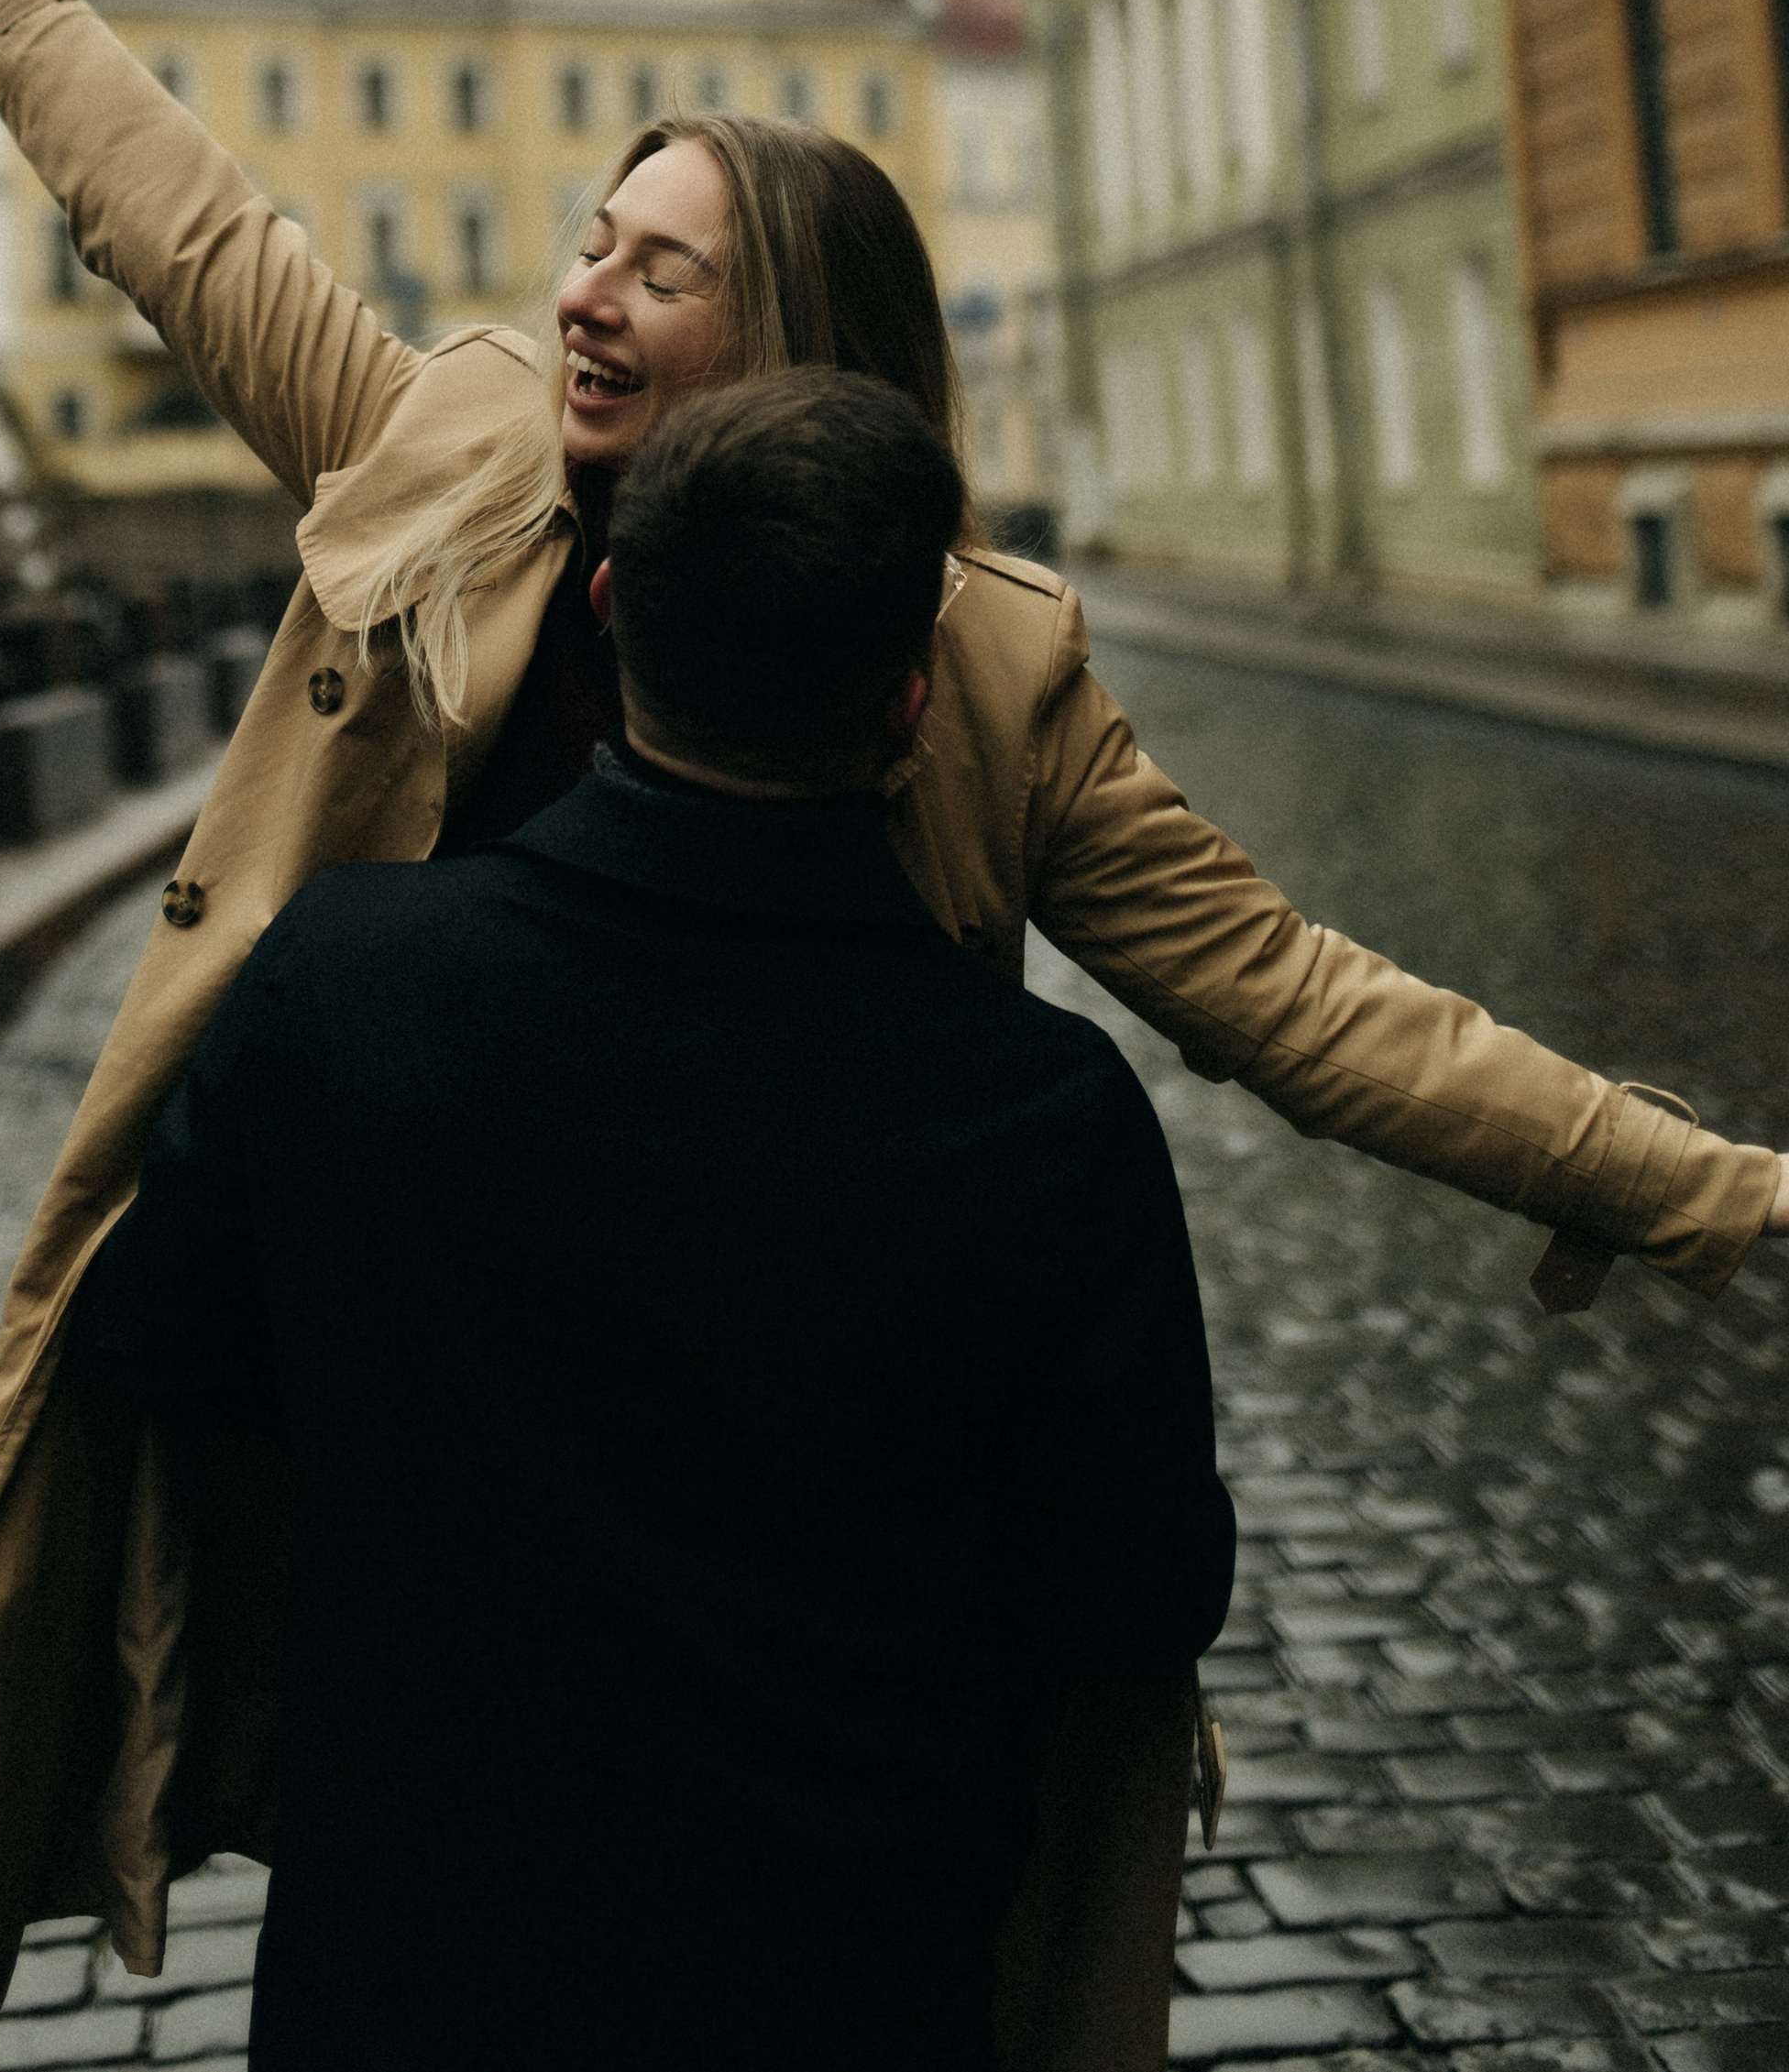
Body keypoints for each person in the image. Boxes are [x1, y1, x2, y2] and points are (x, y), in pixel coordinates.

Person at [0, 0, 1784, 2072]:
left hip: (781, 1491)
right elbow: (204, 239)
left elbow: (1288, 993)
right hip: (475, 1482)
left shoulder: (972, 657)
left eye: (652, 269)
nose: (580, 293)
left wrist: (1682, 1178)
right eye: (588, 242)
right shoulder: (456, 458)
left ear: (786, 339)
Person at [74, 370, 1237, 2072]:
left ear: (611, 607)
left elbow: (157, 1340)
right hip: (848, 2000)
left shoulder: (341, 982)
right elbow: (1138, 1590)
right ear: (911, 699)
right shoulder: (1044, 1118)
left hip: (411, 1987)